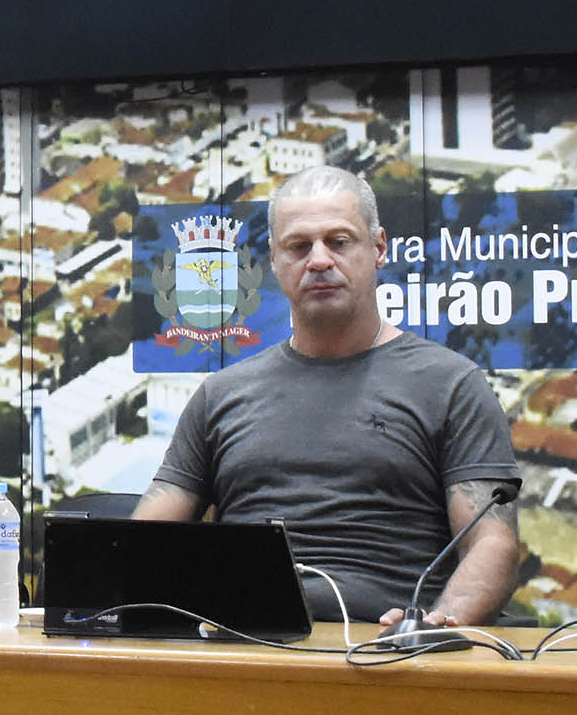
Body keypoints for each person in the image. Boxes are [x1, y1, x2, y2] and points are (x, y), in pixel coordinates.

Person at [134, 167, 521, 627]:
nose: (319, 260)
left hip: (389, 657)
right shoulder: (220, 393)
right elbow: (142, 546)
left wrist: (435, 628)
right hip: (244, 648)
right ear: (274, 262)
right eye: (298, 247)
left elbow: (493, 544)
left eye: (339, 241)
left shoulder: (453, 384)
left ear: (378, 249)